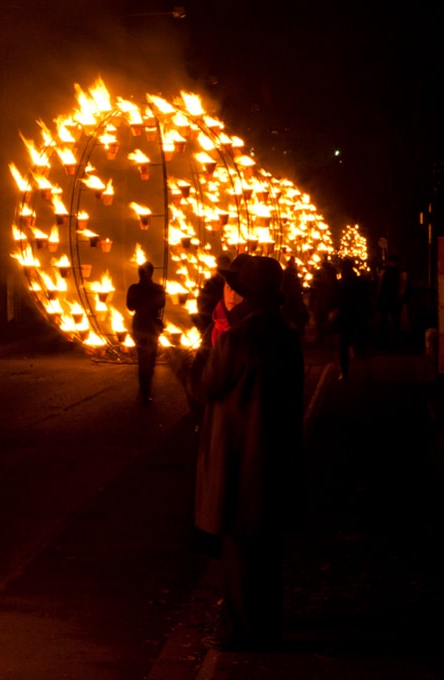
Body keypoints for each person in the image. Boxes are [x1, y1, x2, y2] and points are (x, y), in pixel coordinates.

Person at [189, 253, 304, 650]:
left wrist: (187, 358)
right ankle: (266, 624)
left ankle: (239, 631)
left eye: (231, 286)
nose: (225, 291)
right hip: (274, 457)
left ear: (241, 295)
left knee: (237, 550)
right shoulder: (286, 337)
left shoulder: (236, 340)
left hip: (237, 460)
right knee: (268, 550)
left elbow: (205, 388)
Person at [125, 261, 166, 403]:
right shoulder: (158, 289)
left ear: (139, 273)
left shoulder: (133, 289)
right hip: (152, 325)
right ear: (151, 273)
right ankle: (146, 389)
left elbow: (130, 306)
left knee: (142, 357)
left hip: (139, 325)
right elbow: (162, 305)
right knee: (151, 358)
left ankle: (144, 388)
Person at [332, 260, 370, 380]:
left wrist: (334, 313)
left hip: (345, 317)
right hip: (358, 316)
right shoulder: (361, 281)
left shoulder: (342, 283)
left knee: (343, 346)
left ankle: (345, 372)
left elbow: (338, 301)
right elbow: (366, 298)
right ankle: (365, 372)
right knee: (358, 343)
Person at [279, 259, 309, 337]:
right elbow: (294, 289)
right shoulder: (290, 273)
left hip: (291, 302)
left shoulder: (288, 273)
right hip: (291, 302)